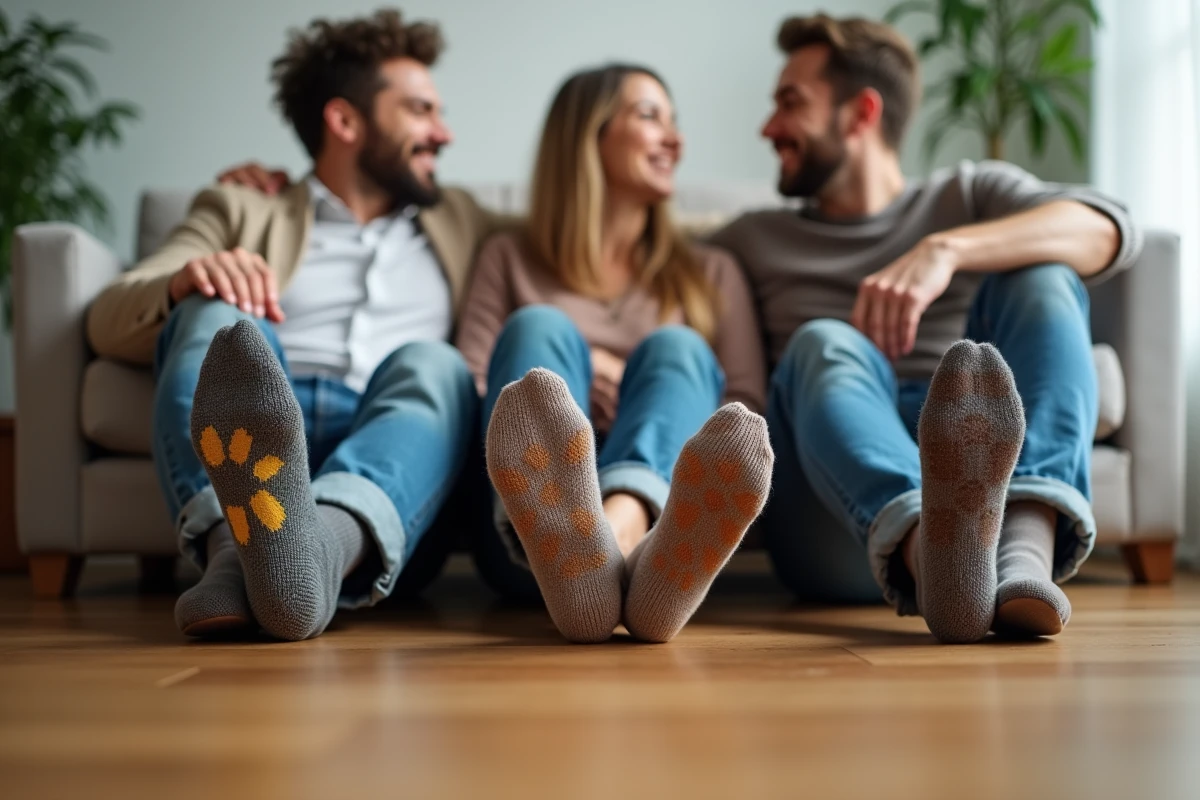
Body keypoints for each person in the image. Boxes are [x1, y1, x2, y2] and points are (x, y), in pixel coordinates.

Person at [711, 14, 1142, 643]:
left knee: (1042, 278)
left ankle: (1021, 554)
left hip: (983, 481)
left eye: (790, 103)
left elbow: (1107, 230)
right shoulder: (751, 239)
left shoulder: (968, 196)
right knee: (824, 342)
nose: (768, 127)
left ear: (860, 113)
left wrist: (948, 249)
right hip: (839, 509)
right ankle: (930, 554)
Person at [86, 10, 502, 641]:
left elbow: (583, 237)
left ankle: (314, 554)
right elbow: (110, 317)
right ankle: (239, 551)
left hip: (392, 441)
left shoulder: (466, 220)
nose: (442, 133)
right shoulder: (242, 207)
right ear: (344, 121)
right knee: (214, 313)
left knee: (434, 363)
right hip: (256, 416)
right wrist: (191, 274)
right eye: (420, 110)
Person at [456, 64, 774, 644]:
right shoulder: (507, 256)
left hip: (673, 542)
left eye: (675, 122)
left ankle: (620, 530)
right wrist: (577, 380)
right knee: (538, 329)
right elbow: (474, 386)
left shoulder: (711, 271)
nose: (675, 141)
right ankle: (581, 547)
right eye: (650, 117)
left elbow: (745, 414)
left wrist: (637, 389)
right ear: (589, 135)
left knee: (677, 347)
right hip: (524, 542)